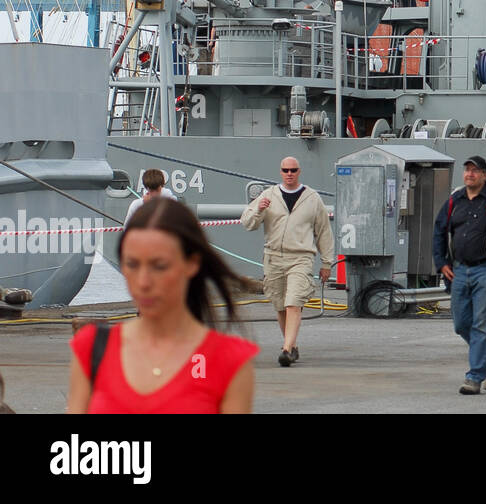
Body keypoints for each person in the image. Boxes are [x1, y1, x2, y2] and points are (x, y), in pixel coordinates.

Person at [68, 199, 256, 413]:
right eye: (132, 264)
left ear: (192, 263)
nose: (143, 282)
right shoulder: (92, 349)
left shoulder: (229, 361)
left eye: (159, 266)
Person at [239, 157, 333, 367]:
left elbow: (324, 231)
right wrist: (259, 209)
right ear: (280, 172)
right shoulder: (268, 195)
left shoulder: (312, 198)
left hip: (301, 257)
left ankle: (286, 349)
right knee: (280, 305)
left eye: (293, 170)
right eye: (285, 170)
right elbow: (248, 223)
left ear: (299, 172)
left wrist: (327, 262)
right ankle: (292, 345)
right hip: (274, 257)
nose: (289, 173)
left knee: (293, 302)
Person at [433, 155, 486, 395]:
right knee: (461, 325)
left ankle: (474, 377)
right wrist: (441, 263)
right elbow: (439, 232)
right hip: (458, 269)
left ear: (485, 175)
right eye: (467, 170)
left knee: (482, 324)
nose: (470, 174)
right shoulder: (454, 200)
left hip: (485, 269)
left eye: (475, 171)